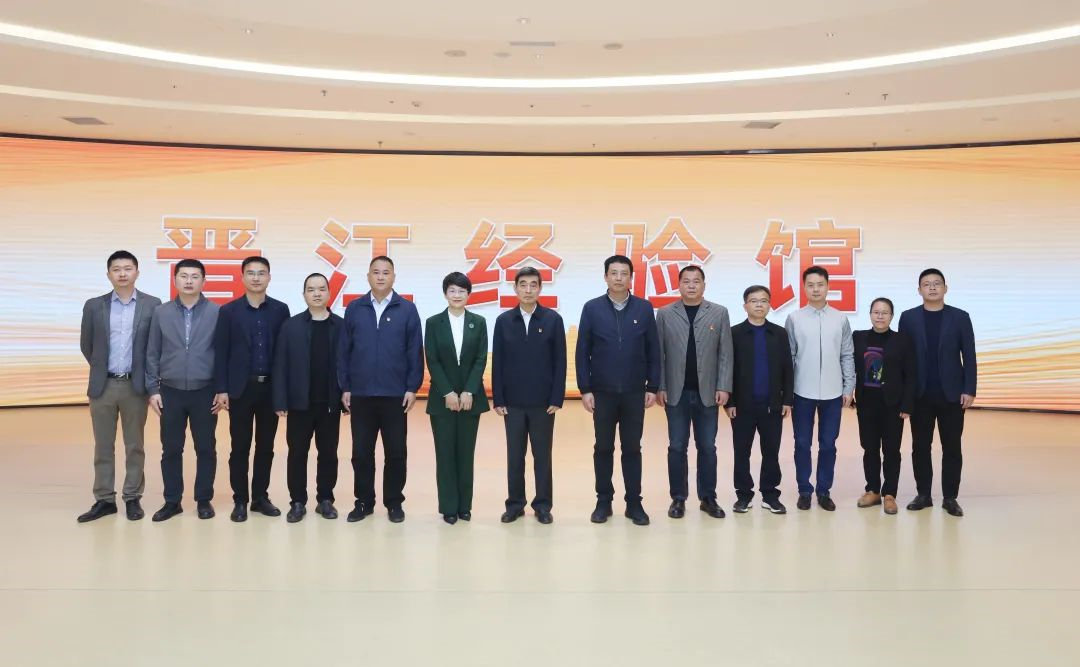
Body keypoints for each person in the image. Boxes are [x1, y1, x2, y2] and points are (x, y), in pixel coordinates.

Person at [77, 250, 162, 522]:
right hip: (103, 386)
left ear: (137, 272)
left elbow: (154, 347)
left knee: (134, 444)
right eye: (116, 269)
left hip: (135, 386)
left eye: (128, 268)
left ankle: (132, 497)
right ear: (108, 274)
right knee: (103, 445)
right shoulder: (94, 306)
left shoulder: (153, 304)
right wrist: (101, 368)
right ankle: (104, 499)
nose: (122, 273)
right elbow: (87, 345)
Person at [576, 255, 660, 526]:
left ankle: (634, 503)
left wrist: (653, 385)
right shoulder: (592, 308)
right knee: (603, 447)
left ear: (631, 278)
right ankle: (603, 501)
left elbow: (653, 350)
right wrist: (585, 389)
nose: (619, 278)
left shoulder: (644, 308)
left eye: (624, 273)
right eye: (614, 273)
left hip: (634, 392)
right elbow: (582, 351)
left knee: (632, 448)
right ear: (605, 277)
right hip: (602, 392)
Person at [338, 255, 423, 523]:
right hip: (361, 394)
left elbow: (415, 351)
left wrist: (412, 387)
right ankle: (364, 502)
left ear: (394, 277)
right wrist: (345, 386)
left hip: (395, 395)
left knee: (396, 452)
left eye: (386, 272)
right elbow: (344, 351)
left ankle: (394, 503)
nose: (381, 277)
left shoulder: (407, 309)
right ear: (368, 276)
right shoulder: (355, 308)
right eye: (376, 272)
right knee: (361, 453)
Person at [214, 256, 290, 522]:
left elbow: (284, 353)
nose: (256, 278)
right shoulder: (228, 311)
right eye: (251, 273)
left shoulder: (280, 310)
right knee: (240, 447)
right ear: (242, 277)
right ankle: (240, 500)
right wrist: (222, 389)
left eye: (261, 273)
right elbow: (221, 352)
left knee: (266, 447)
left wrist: (284, 392)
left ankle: (260, 497)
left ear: (269, 277)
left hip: (270, 389)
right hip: (240, 389)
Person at [145, 259, 221, 521]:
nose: (189, 281)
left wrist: (221, 389)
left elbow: (222, 353)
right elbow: (152, 352)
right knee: (171, 449)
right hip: (170, 391)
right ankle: (172, 501)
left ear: (203, 281)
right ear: (175, 279)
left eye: (195, 276)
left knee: (206, 448)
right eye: (184, 276)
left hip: (205, 391)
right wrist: (153, 389)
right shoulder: (161, 312)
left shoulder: (217, 312)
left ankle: (204, 499)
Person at [898, 269, 977, 517]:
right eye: (926, 284)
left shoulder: (960, 317)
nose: (932, 288)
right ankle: (923, 495)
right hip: (920, 395)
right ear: (919, 290)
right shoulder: (908, 318)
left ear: (945, 288)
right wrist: (905, 394)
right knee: (920, 447)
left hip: (952, 395)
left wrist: (969, 389)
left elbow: (969, 355)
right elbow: (903, 358)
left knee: (952, 447)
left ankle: (950, 498)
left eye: (936, 284)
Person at [655, 265, 732, 519]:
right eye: (686, 281)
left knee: (707, 446)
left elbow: (725, 353)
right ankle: (678, 498)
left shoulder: (719, 312)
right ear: (678, 285)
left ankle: (708, 497)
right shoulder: (665, 314)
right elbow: (659, 354)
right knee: (677, 446)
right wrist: (660, 386)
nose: (691, 285)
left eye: (696, 281)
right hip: (675, 392)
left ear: (704, 285)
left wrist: (723, 386)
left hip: (707, 392)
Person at [492, 267, 566, 524]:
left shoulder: (552, 320)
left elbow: (560, 361)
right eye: (523, 285)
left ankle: (543, 505)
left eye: (533, 285)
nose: (528, 290)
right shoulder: (504, 321)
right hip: (512, 403)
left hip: (543, 403)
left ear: (540, 288)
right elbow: (498, 362)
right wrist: (498, 398)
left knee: (542, 457)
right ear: (515, 288)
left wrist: (556, 397)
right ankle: (515, 504)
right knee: (515, 457)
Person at [273, 273, 344, 523]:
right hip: (299, 403)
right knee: (297, 453)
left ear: (329, 293)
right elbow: (280, 364)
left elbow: (348, 364)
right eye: (311, 289)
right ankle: (297, 502)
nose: (316, 293)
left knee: (328, 453)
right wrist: (280, 400)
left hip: (330, 403)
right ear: (303, 294)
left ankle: (325, 499)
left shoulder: (341, 326)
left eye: (321, 289)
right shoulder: (291, 326)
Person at [785, 266, 855, 512]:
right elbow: (789, 356)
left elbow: (847, 354)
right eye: (810, 285)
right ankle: (805, 490)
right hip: (801, 391)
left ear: (828, 287)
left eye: (820, 285)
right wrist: (787, 392)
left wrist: (849, 386)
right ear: (804, 288)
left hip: (833, 392)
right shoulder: (794, 318)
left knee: (828, 444)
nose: (816, 289)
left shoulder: (840, 318)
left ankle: (824, 491)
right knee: (802, 444)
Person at [424, 272, 490, 524]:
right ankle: (449, 507)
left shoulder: (479, 322)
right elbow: (432, 359)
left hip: (470, 399)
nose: (457, 295)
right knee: (445, 454)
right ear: (445, 294)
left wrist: (469, 390)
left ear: (468, 294)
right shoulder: (433, 323)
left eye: (462, 291)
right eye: (452, 290)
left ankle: (464, 506)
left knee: (465, 453)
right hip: (442, 399)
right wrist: (448, 392)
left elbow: (480, 358)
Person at [726, 285, 793, 514]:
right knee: (741, 452)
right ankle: (743, 495)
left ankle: (770, 494)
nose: (759, 305)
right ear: (745, 305)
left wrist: (787, 400)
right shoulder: (734, 334)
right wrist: (730, 402)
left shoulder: (779, 334)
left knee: (771, 452)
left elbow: (788, 368)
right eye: (754, 301)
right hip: (742, 406)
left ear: (770, 305)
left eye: (763, 301)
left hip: (772, 405)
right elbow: (728, 369)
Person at [852, 297, 917, 515]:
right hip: (866, 403)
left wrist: (907, 404)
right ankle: (872, 490)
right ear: (870, 314)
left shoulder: (902, 340)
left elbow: (911, 374)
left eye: (885, 312)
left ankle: (889, 494)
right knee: (869, 448)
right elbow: (850, 366)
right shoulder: (858, 337)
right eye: (876, 312)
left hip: (892, 404)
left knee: (891, 450)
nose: (880, 316)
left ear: (891, 316)